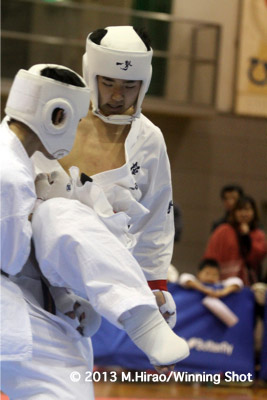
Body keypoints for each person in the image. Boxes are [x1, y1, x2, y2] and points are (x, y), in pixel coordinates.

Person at [32, 25, 178, 328]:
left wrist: (156, 288)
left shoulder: (149, 140)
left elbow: (155, 224)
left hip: (85, 293)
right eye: (108, 82)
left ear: (145, 82)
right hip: (22, 267)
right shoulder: (55, 113)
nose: (116, 95)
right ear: (90, 73)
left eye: (129, 85)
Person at [0, 64, 96, 399]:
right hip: (5, 304)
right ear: (58, 115)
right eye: (77, 122)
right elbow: (10, 260)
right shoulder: (11, 176)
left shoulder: (17, 163)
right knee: (67, 378)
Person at [204, 196, 267, 286]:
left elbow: (256, 258)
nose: (244, 213)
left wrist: (246, 236)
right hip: (221, 282)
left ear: (254, 212)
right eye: (240, 210)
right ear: (234, 212)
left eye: (247, 210)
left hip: (247, 284)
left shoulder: (258, 234)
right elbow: (210, 257)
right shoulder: (222, 230)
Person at [179, 258, 243, 297]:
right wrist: (204, 289)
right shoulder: (194, 282)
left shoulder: (220, 285)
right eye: (207, 273)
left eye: (215, 274)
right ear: (199, 273)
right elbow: (184, 277)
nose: (210, 277)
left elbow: (237, 281)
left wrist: (222, 292)